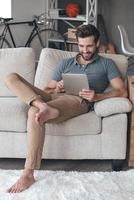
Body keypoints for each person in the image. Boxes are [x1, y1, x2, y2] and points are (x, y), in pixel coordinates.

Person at [4, 24, 128, 193]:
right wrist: (56, 89)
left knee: (34, 112)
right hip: (52, 98)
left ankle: (28, 173)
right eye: (82, 46)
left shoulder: (107, 64)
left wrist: (97, 96)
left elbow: (122, 91)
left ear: (97, 43)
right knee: (11, 78)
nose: (85, 50)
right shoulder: (65, 63)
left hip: (77, 100)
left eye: (89, 46)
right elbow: (47, 90)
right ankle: (42, 106)